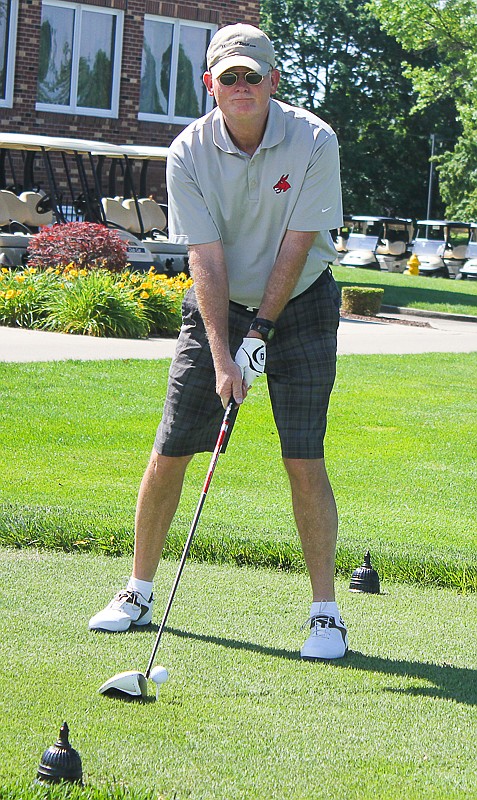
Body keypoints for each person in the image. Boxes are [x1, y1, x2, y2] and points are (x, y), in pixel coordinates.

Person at [89, 22, 348, 660]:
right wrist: (221, 351)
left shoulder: (315, 140)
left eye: (251, 76)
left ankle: (326, 614)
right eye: (228, 77)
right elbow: (204, 256)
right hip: (217, 306)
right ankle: (138, 590)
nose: (240, 87)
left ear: (273, 82)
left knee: (303, 456)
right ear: (210, 84)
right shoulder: (188, 150)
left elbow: (296, 245)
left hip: (305, 303)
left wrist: (259, 333)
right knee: (174, 444)